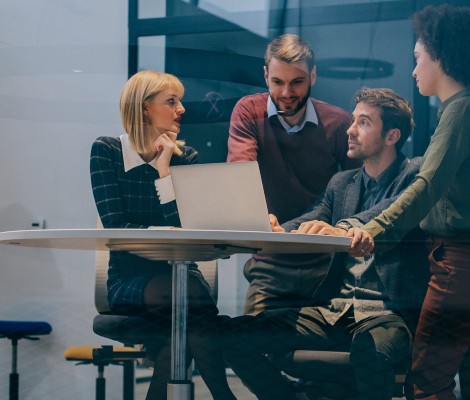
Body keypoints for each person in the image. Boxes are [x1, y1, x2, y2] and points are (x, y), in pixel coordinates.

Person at [223, 87, 429, 400]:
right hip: (334, 311)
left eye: (363, 123)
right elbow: (313, 216)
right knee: (232, 336)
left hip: (389, 314)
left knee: (370, 352)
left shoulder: (415, 175)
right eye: (353, 120)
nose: (350, 129)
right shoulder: (342, 183)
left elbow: (386, 213)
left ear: (392, 136)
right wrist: (276, 229)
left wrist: (342, 229)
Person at [345, 5, 470, 400]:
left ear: (439, 54)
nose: (414, 70)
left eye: (418, 59)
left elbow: (426, 186)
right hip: (457, 261)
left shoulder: (460, 110)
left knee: (427, 381)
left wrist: (373, 232)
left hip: (457, 263)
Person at [89, 70, 236, 400]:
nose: (182, 109)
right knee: (193, 305)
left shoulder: (186, 157)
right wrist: (164, 232)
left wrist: (164, 172)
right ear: (144, 108)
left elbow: (187, 228)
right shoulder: (107, 152)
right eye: (172, 101)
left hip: (180, 272)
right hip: (129, 276)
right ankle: (224, 395)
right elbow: (115, 227)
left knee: (184, 322)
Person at [227, 33, 361, 315]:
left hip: (326, 265)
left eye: (297, 81)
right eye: (278, 82)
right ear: (265, 76)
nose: (287, 92)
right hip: (270, 262)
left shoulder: (338, 123)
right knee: (245, 344)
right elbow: (240, 173)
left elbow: (357, 191)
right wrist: (254, 213)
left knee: (319, 352)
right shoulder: (249, 111)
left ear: (313, 75)